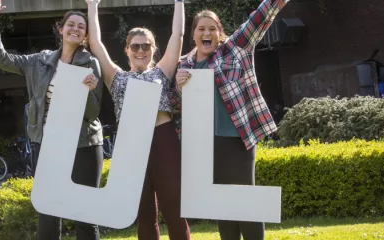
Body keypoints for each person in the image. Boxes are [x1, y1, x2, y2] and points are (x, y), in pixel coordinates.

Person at [0, 0, 107, 238]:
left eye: (81, 26)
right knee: (49, 211)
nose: (75, 28)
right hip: (49, 144)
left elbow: (92, 113)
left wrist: (90, 91)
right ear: (60, 29)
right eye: (70, 24)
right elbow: (0, 59)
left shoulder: (90, 63)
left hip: (85, 145)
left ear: (85, 34)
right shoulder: (39, 61)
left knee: (85, 214)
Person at [172, 0, 288, 239]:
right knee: (221, 203)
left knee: (245, 200)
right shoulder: (184, 64)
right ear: (193, 34)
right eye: (201, 28)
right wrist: (177, 86)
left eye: (212, 28)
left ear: (220, 33)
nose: (207, 33)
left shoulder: (235, 49)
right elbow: (173, 107)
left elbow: (261, 17)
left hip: (236, 138)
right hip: (203, 144)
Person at [86, 0, 191, 239]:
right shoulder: (116, 77)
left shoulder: (162, 72)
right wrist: (92, 5)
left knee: (174, 208)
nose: (140, 50)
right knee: (144, 212)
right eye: (135, 46)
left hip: (163, 140)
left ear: (154, 49)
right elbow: (95, 43)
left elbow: (178, 34)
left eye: (146, 46)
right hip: (131, 145)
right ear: (127, 50)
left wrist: (179, 2)